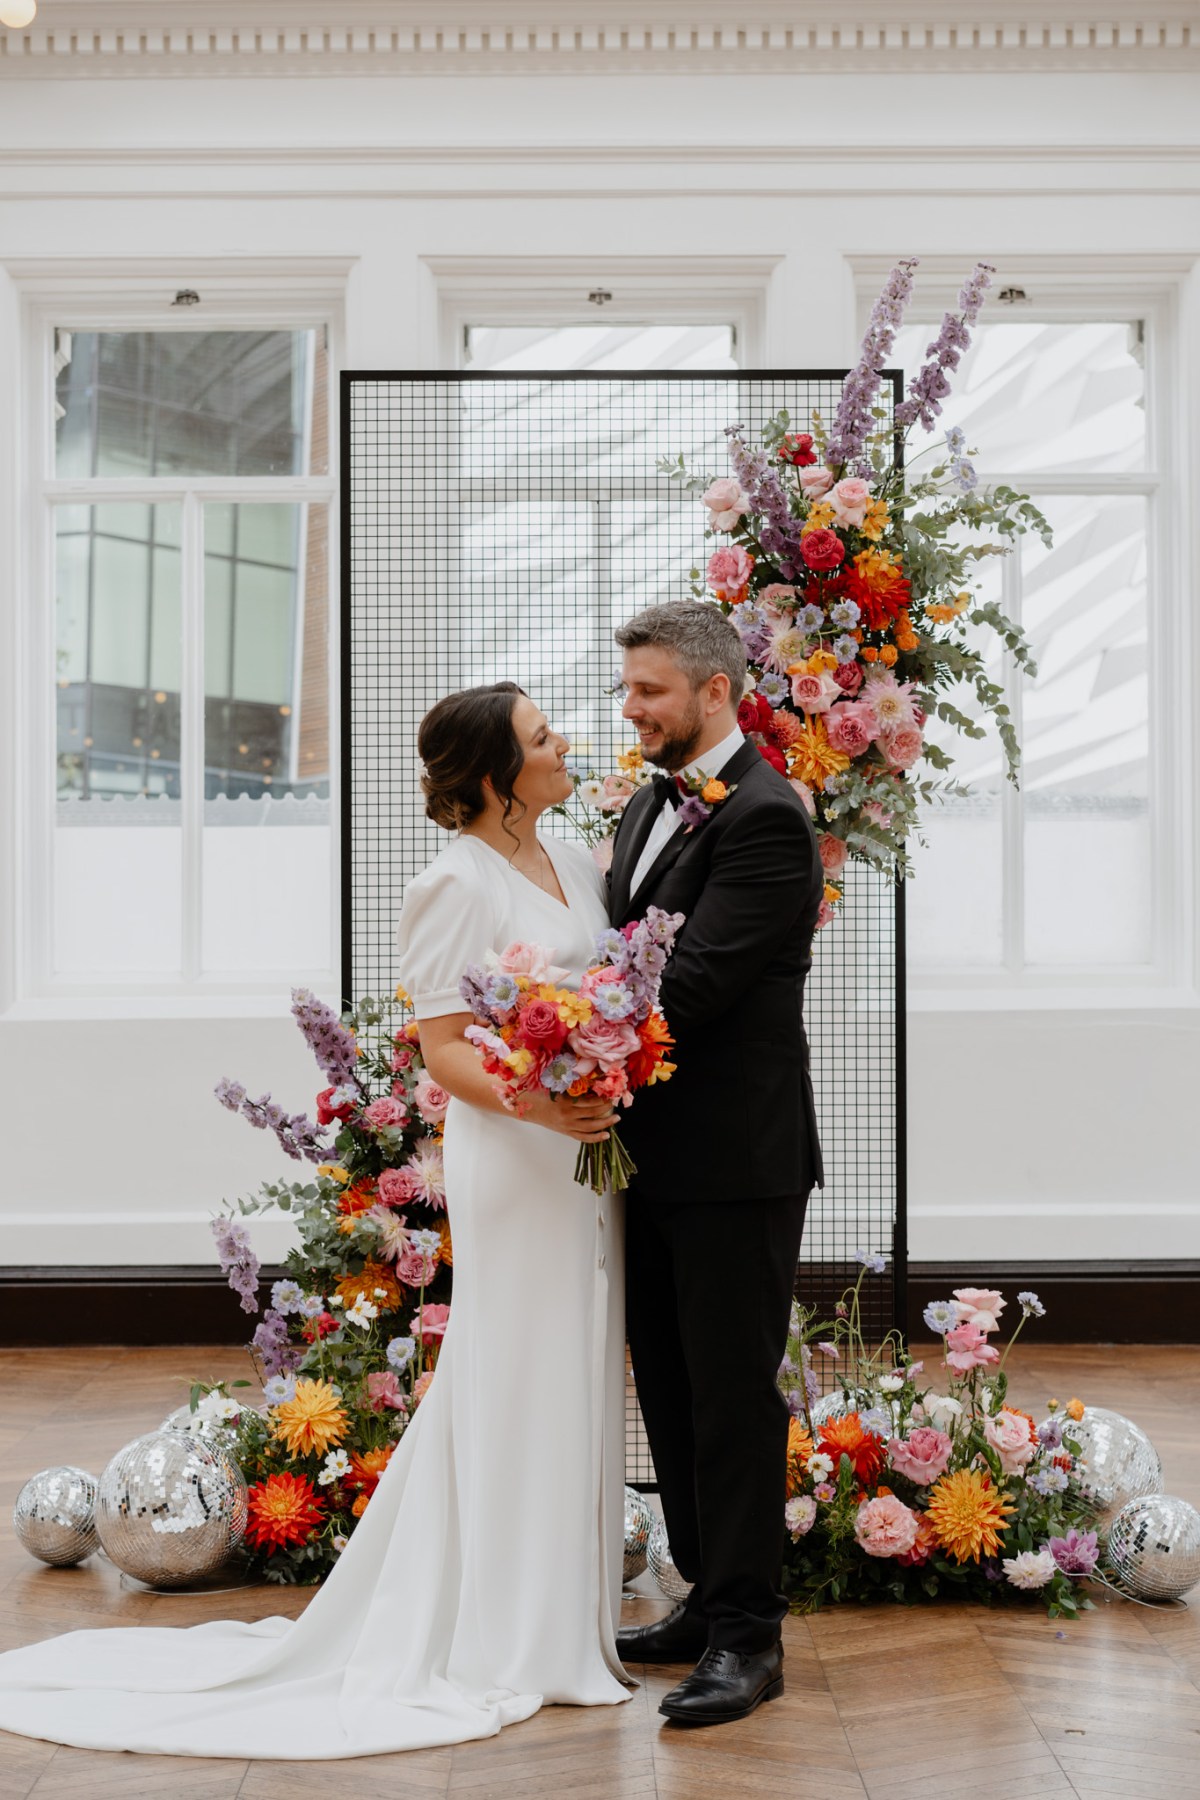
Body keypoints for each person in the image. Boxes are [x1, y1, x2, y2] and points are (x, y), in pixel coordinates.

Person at [0, 682, 632, 1759]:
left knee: (574, 1361)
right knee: (513, 1362)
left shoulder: (579, 865)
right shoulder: (450, 883)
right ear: (493, 776)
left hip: (583, 1156)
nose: (562, 741)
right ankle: (501, 1631)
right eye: (540, 737)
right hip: (518, 1152)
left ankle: (561, 1622)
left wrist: (604, 1070)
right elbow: (441, 1049)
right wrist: (545, 1101)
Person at [608, 602, 823, 1726]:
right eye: (627, 690)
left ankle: (750, 1636)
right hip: (646, 1158)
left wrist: (547, 1031)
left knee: (734, 1396)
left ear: (713, 692)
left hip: (737, 1160)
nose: (631, 709)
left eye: (649, 691)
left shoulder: (769, 820)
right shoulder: (653, 797)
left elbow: (685, 993)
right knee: (676, 1388)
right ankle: (701, 1599)